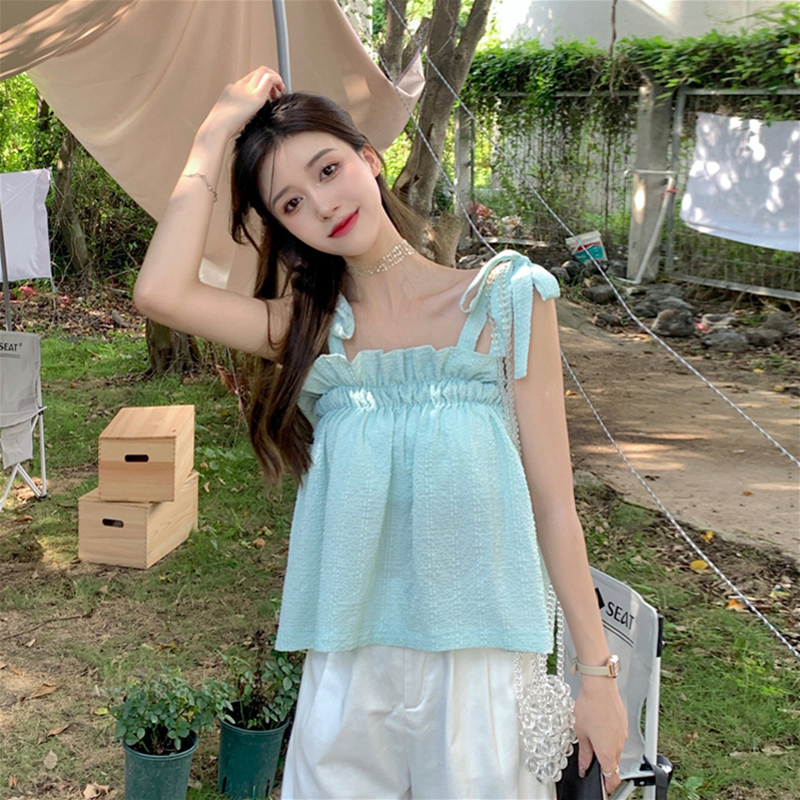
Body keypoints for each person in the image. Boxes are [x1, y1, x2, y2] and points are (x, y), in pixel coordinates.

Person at [134, 66, 628, 799]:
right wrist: (214, 134)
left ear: (369, 158)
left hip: (481, 667)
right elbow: (160, 292)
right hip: (348, 669)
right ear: (285, 228)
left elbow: (554, 504)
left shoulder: (507, 300)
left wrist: (597, 675)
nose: (322, 204)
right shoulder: (309, 332)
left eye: (328, 169)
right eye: (291, 202)